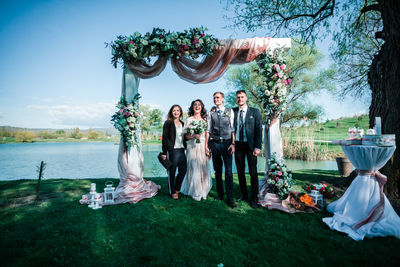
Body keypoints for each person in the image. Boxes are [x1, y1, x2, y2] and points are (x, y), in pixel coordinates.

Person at [205, 92, 236, 208]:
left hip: (227, 144)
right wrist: (207, 146)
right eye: (214, 98)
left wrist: (233, 143)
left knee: (228, 172)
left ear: (223, 99)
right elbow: (208, 131)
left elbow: (232, 129)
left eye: (218, 97)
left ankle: (230, 198)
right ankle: (220, 195)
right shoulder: (211, 114)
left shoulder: (230, 111)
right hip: (215, 144)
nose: (215, 99)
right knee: (217, 171)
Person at [233, 90, 262, 208]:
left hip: (250, 146)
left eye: (242, 97)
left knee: (253, 172)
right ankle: (244, 194)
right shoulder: (233, 112)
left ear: (246, 98)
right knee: (240, 172)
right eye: (238, 97)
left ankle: (254, 197)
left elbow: (258, 130)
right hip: (238, 145)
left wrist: (258, 147)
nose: (240, 99)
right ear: (236, 99)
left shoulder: (254, 112)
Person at [180, 99, 212, 201]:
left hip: (202, 145)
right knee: (193, 167)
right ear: (192, 107)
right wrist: (193, 135)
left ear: (202, 107)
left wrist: (207, 147)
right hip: (192, 146)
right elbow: (186, 136)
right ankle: (194, 190)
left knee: (202, 167)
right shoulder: (189, 120)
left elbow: (207, 135)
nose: (197, 106)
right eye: (195, 105)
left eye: (199, 105)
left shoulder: (205, 121)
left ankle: (203, 189)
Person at [161, 105, 187, 200]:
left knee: (183, 171)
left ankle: (177, 189)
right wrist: (164, 152)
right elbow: (164, 138)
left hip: (182, 150)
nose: (176, 112)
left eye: (178, 110)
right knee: (172, 172)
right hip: (172, 150)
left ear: (180, 112)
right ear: (171, 112)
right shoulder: (168, 123)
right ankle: (172, 191)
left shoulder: (183, 123)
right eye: (174, 111)